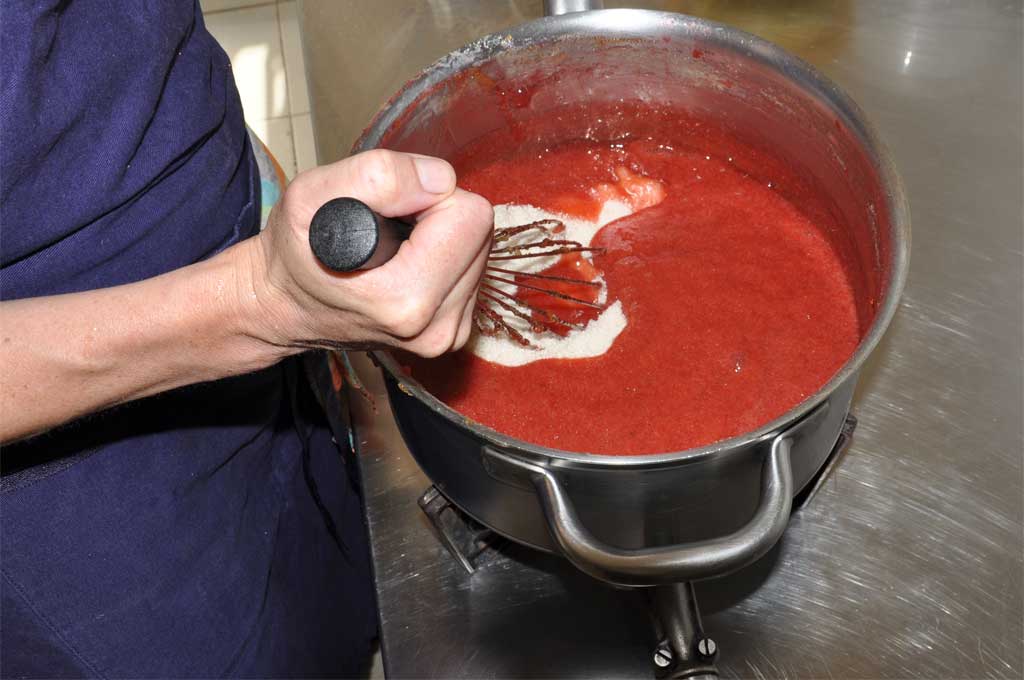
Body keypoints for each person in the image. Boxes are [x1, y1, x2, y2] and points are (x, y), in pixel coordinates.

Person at [0, 2, 493, 677]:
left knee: (332, 573)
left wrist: (255, 186)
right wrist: (251, 301)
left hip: (258, 298)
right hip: (89, 510)